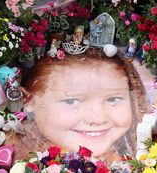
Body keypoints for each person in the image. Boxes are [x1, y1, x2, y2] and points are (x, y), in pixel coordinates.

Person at [16, 51, 146, 161]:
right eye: (71, 101)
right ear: (28, 100)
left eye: (113, 99)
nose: (98, 119)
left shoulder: (135, 163)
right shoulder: (18, 171)